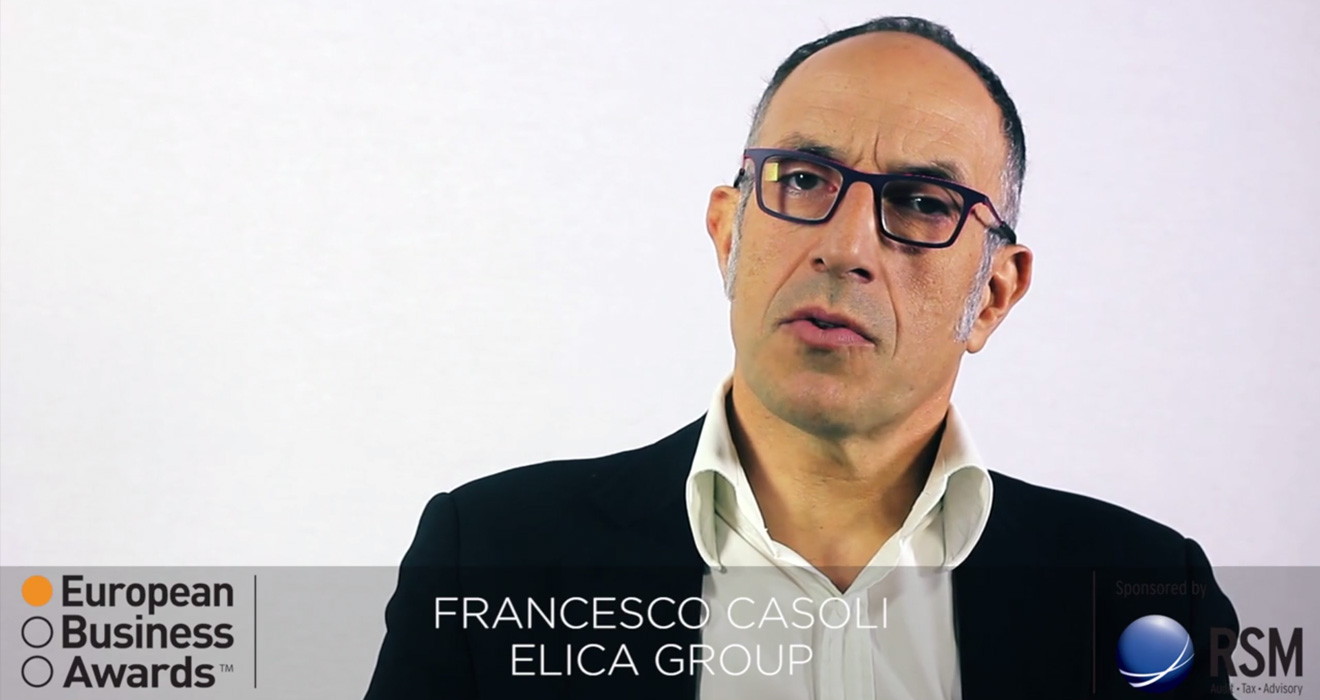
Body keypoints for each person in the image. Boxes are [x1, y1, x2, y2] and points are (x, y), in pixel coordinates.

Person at [365, 16, 1238, 699]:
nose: (845, 247)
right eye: (805, 180)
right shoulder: (490, 556)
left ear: (995, 294)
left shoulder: (1143, 595)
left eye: (922, 201)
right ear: (728, 235)